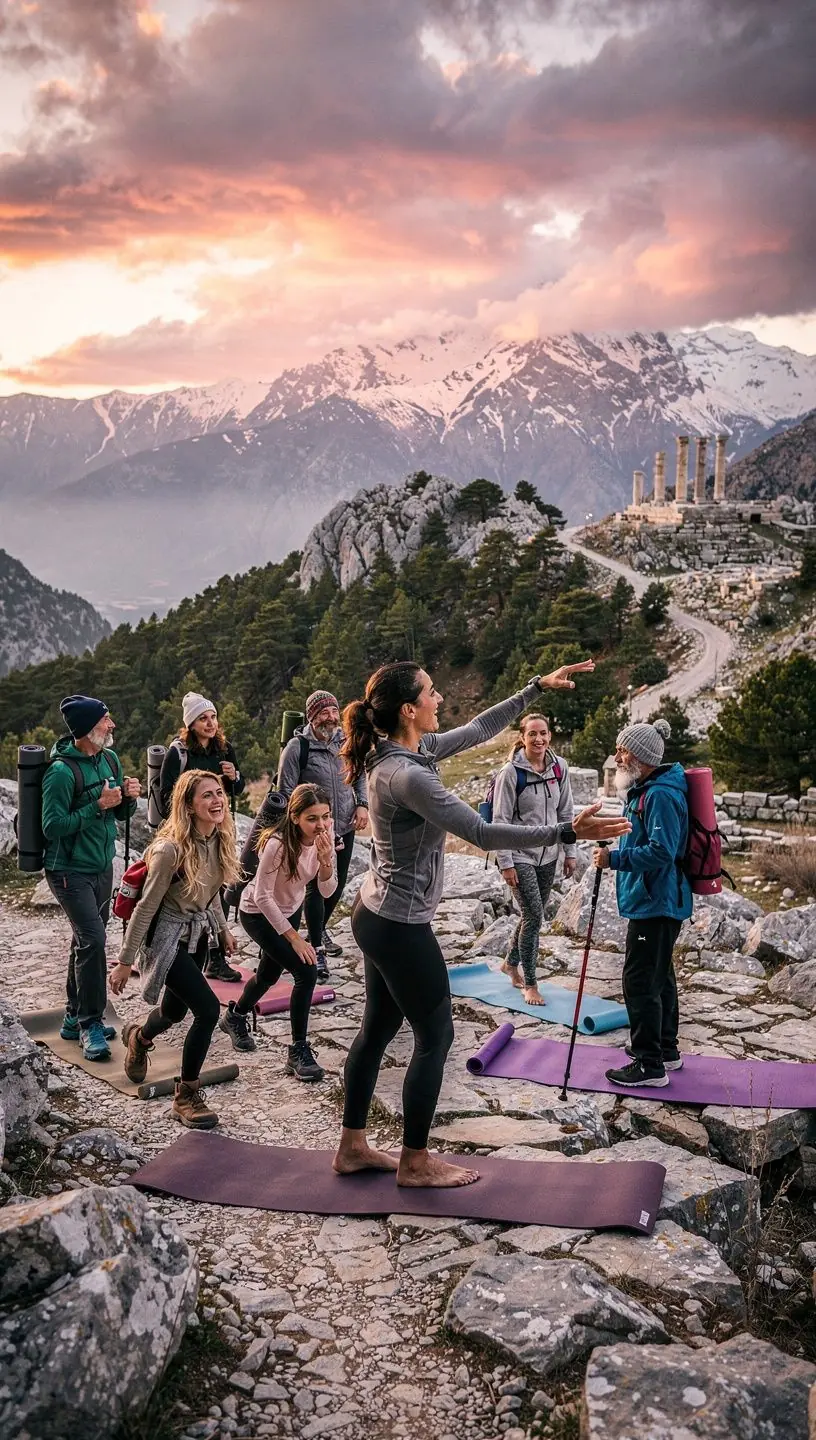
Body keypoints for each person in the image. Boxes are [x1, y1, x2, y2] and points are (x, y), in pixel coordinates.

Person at [332, 661, 631, 1189]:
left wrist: (534, 687)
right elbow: (480, 831)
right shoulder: (410, 775)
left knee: (377, 1028)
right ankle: (415, 1162)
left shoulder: (401, 753)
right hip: (399, 925)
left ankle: (353, 1147)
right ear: (408, 709)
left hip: (374, 914)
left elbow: (479, 729)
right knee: (435, 1034)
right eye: (430, 692)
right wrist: (567, 831)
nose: (440, 696)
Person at [108, 770, 242, 1129]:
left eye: (220, 794)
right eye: (207, 796)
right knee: (208, 1010)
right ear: (188, 805)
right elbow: (146, 907)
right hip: (165, 939)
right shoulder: (170, 850)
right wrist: (124, 961)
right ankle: (186, 1096)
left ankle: (139, 1036)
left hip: (196, 938)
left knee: (173, 1012)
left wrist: (223, 929)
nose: (217, 801)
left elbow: (210, 891)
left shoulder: (219, 838)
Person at [593, 717, 692, 1089]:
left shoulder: (662, 794)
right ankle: (666, 1050)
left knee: (639, 982)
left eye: (624, 749)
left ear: (644, 756)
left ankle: (649, 1066)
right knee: (659, 976)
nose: (617, 756)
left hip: (658, 901)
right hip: (655, 899)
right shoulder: (649, 789)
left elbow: (662, 852)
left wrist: (614, 859)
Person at [43, 695, 140, 1062]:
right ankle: (90, 1023)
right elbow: (51, 827)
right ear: (86, 729)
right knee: (94, 941)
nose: (112, 725)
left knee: (85, 941)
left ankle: (72, 1017)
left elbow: (117, 811)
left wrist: (126, 799)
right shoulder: (61, 772)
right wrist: (96, 805)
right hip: (67, 870)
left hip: (100, 866)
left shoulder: (109, 759)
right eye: (105, 721)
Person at [219, 784, 337, 1082]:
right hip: (258, 914)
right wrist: (294, 937)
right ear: (295, 817)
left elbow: (326, 890)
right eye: (312, 818)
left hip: (289, 908)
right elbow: (261, 896)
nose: (321, 825)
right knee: (306, 972)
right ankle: (298, 1051)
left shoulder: (324, 838)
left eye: (325, 816)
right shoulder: (277, 843)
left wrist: (326, 863)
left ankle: (235, 1016)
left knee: (269, 976)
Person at [278, 690, 368, 982]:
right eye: (323, 713)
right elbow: (286, 790)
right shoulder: (297, 748)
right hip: (314, 831)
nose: (330, 718)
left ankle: (320, 929)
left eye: (333, 712)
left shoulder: (346, 741)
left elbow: (360, 772)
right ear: (311, 717)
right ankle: (316, 949)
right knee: (316, 889)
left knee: (335, 886)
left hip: (343, 824)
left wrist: (362, 803)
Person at [159, 691, 245, 983]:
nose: (210, 723)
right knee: (193, 890)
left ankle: (215, 958)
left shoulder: (224, 749)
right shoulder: (179, 753)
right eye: (203, 719)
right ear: (191, 724)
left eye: (213, 717)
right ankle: (186, 951)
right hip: (187, 833)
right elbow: (164, 798)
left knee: (217, 887)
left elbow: (239, 788)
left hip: (219, 828)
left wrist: (234, 777)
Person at [495, 713, 577, 1005]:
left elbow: (566, 814)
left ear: (549, 735)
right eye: (532, 734)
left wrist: (569, 852)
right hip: (519, 856)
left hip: (549, 855)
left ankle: (509, 963)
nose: (538, 739)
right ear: (523, 737)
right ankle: (530, 983)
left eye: (543, 733)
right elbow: (500, 821)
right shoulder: (511, 773)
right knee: (534, 916)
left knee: (533, 914)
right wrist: (505, 863)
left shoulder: (559, 769)